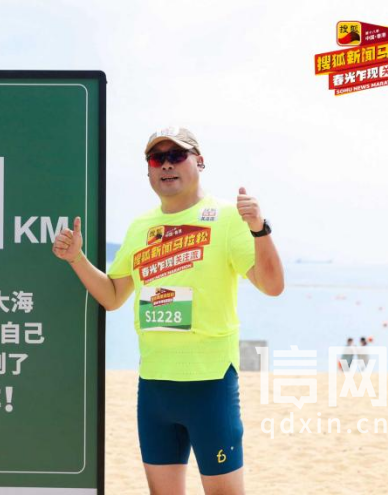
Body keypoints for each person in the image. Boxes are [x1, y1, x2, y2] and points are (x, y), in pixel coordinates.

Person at [52, 127, 284, 495]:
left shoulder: (227, 218)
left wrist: (259, 229)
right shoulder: (140, 227)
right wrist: (76, 258)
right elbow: (113, 296)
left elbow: (272, 285)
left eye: (176, 155)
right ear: (148, 169)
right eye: (157, 158)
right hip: (155, 388)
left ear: (199, 161)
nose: (166, 165)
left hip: (210, 385)